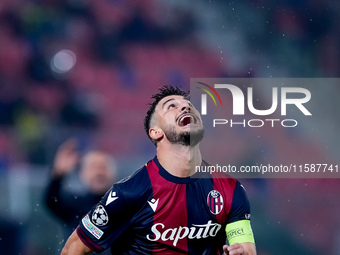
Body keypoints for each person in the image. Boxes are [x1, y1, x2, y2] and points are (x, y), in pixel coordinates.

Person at [61, 85, 257, 255]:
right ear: (156, 132)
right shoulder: (129, 193)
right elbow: (74, 248)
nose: (185, 106)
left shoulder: (231, 189)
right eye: (172, 106)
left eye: (189, 105)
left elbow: (245, 248)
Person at [44, 139, 117, 237]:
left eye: (103, 167)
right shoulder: (75, 205)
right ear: (83, 174)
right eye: (93, 167)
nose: (99, 172)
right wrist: (58, 175)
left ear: (113, 173)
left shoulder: (125, 207)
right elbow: (51, 201)